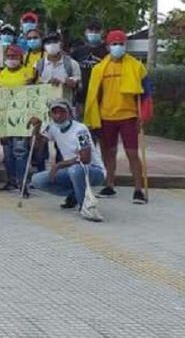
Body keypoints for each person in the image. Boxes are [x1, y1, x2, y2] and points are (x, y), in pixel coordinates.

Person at [84, 30, 149, 204]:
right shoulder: (99, 68)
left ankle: (138, 189)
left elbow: (146, 93)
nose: (117, 47)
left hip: (129, 116)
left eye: (121, 43)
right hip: (106, 116)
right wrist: (93, 116)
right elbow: (94, 95)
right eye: (114, 44)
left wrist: (143, 114)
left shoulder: (137, 66)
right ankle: (109, 185)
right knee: (108, 153)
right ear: (107, 46)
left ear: (125, 45)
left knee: (132, 153)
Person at [29, 98, 106, 219]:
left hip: (94, 170)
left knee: (75, 170)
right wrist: (37, 129)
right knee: (37, 180)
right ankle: (75, 193)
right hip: (71, 170)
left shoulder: (80, 130)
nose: (58, 116)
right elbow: (37, 148)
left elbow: (85, 158)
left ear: (70, 113)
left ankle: (86, 206)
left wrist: (59, 165)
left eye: (62, 112)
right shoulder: (52, 127)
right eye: (55, 112)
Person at [0, 44, 36, 190]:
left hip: (22, 118)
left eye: (14, 56)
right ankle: (10, 181)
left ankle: (22, 182)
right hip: (4, 118)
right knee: (7, 151)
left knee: (20, 152)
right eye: (9, 56)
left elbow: (37, 94)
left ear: (20, 57)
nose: (11, 59)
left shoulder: (29, 73)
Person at [71, 20, 107, 113]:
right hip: (81, 97)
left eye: (97, 31)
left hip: (101, 97)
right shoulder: (78, 51)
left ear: (102, 32)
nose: (93, 33)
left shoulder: (107, 52)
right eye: (91, 30)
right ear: (85, 32)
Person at [35, 32, 82, 101]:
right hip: (44, 103)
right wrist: (47, 84)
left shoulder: (72, 63)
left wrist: (73, 84)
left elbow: (79, 86)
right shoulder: (38, 65)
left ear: (61, 44)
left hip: (66, 103)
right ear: (43, 47)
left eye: (55, 41)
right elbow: (34, 86)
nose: (52, 44)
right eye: (48, 42)